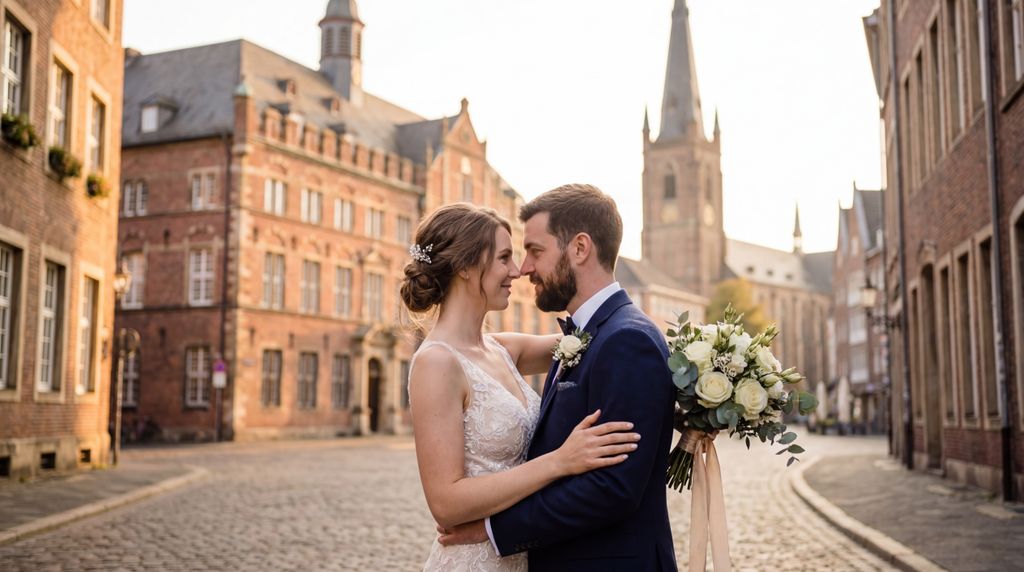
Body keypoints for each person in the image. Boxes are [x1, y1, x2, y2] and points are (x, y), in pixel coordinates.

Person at [438, 184, 678, 571]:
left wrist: (495, 529)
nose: (525, 268)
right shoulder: (591, 334)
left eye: (535, 251)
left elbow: (613, 488)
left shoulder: (626, 340)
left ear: (580, 248)